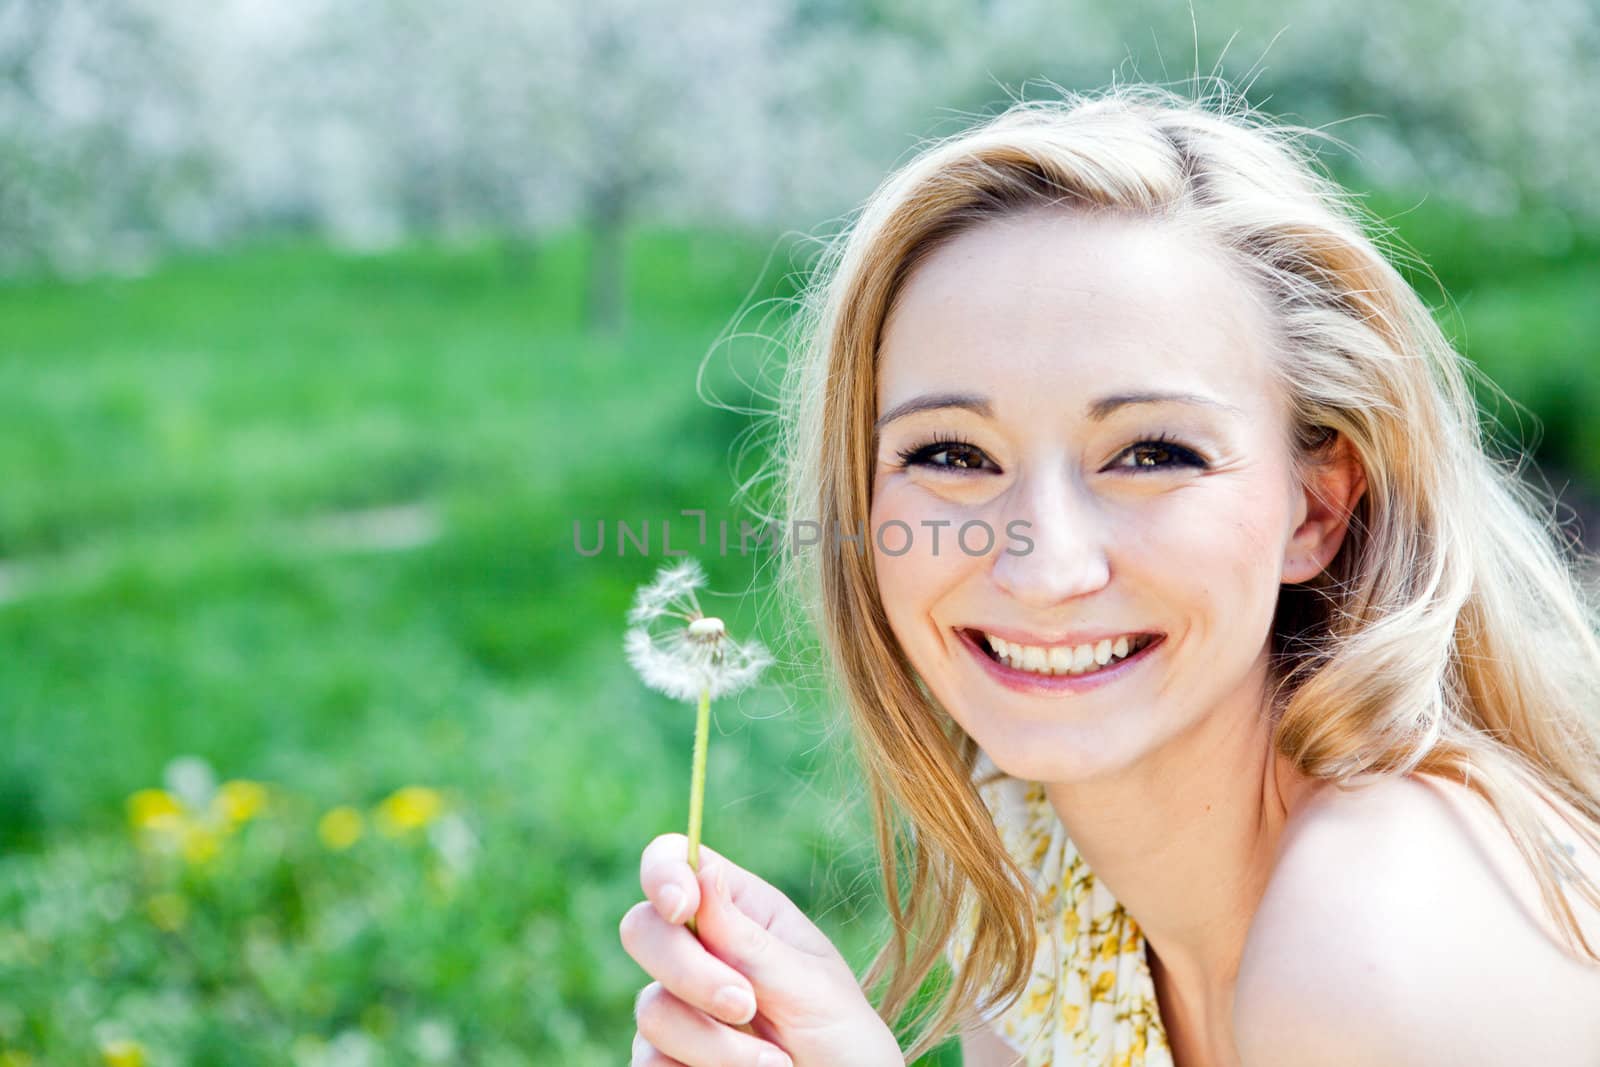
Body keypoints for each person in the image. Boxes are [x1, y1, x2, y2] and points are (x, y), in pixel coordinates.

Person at [618, 82, 1600, 1066]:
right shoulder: (1035, 844)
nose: (1043, 568)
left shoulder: (1380, 952)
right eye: (953, 456)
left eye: (1150, 453)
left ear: (1317, 506)